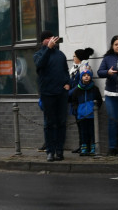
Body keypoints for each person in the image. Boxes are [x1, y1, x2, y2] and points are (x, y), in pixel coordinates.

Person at [34, 30, 71, 162]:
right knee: (49, 123)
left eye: (53, 38)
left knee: (61, 122)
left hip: (61, 94)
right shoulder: (39, 54)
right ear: (44, 41)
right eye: (49, 39)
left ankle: (59, 151)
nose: (52, 41)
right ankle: (50, 151)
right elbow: (40, 65)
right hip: (47, 94)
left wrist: (68, 83)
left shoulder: (60, 55)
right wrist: (48, 49)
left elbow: (66, 71)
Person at [69, 67, 102, 155]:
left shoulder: (95, 89)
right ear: (81, 77)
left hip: (92, 115)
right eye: (84, 75)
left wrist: (96, 108)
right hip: (81, 115)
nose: (86, 77)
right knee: (83, 132)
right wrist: (77, 109)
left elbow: (99, 100)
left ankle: (93, 147)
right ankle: (84, 147)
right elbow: (73, 101)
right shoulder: (77, 90)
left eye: (88, 75)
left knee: (92, 131)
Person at [69, 48, 95, 153]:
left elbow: (80, 85)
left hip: (81, 100)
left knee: (85, 126)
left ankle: (87, 145)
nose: (73, 58)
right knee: (79, 124)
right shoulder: (75, 68)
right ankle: (82, 145)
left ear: (79, 58)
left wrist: (70, 93)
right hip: (75, 99)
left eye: (74, 56)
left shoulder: (84, 68)